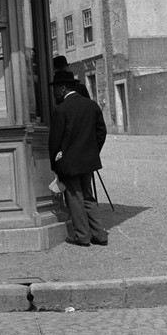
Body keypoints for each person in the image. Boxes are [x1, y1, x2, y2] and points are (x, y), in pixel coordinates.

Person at [48, 77, 108, 247]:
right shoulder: (92, 106)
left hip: (70, 162)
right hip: (88, 161)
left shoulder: (61, 110)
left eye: (55, 89)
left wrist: (55, 163)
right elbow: (101, 133)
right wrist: (92, 152)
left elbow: (55, 141)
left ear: (63, 88)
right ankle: (100, 234)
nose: (54, 93)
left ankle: (82, 236)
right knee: (88, 196)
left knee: (75, 198)